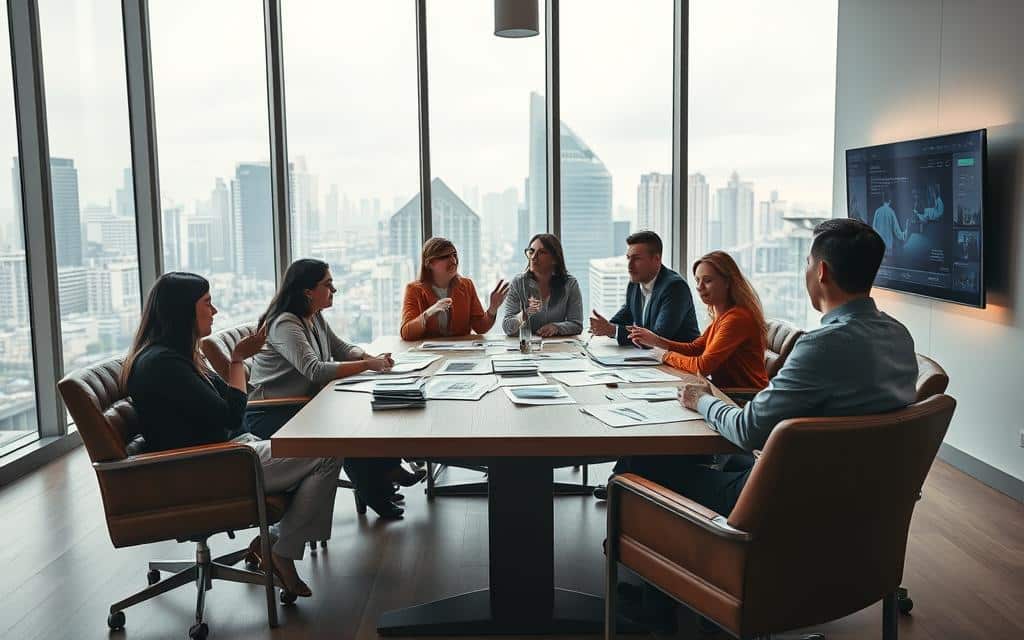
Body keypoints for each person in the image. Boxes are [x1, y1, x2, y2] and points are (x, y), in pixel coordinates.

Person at [615, 218, 920, 629]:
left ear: (822, 272)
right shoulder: (901, 338)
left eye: (808, 263)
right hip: (858, 509)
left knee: (643, 463)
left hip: (783, 505)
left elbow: (746, 430)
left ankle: (659, 611)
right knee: (690, 461)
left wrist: (702, 400)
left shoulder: (820, 348)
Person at [122, 272, 343, 599]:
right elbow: (231, 412)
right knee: (327, 453)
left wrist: (236, 369)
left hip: (229, 452)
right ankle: (280, 548)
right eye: (207, 304)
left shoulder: (176, 356)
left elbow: (228, 401)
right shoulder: (164, 364)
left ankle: (277, 542)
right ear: (183, 311)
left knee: (322, 450)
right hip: (215, 467)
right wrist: (238, 359)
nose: (215, 311)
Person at [242, 259, 423, 520]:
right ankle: (377, 489)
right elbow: (314, 370)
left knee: (362, 412)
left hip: (306, 404)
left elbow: (341, 349)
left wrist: (373, 359)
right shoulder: (285, 324)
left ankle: (384, 473)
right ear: (307, 291)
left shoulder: (313, 317)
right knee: (345, 427)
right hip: (275, 412)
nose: (334, 290)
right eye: (328, 284)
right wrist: (367, 364)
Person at [627, 250, 769, 390]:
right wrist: (656, 340)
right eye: (697, 280)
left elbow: (702, 367)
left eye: (707, 281)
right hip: (725, 392)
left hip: (745, 399)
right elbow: (695, 349)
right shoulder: (723, 317)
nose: (699, 287)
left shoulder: (736, 319)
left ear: (727, 282)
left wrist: (664, 356)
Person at [589, 231, 700, 346]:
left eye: (637, 259)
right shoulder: (635, 283)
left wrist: (612, 330)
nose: (630, 266)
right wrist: (603, 326)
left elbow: (658, 337)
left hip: (681, 360)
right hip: (652, 358)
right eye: (628, 258)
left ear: (656, 259)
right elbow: (624, 316)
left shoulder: (675, 287)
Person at [400, 236, 510, 340]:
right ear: (429, 263)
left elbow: (480, 328)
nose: (453, 260)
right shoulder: (414, 290)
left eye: (454, 255)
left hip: (460, 353)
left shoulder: (467, 285)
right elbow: (406, 333)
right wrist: (428, 313)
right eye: (445, 257)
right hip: (429, 355)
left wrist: (493, 308)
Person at [501, 233, 583, 337]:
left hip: (557, 347)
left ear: (554, 259)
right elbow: (507, 327)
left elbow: (577, 325)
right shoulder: (518, 283)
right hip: (527, 347)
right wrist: (525, 314)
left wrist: (556, 327)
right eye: (531, 251)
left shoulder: (570, 284)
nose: (533, 257)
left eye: (542, 252)